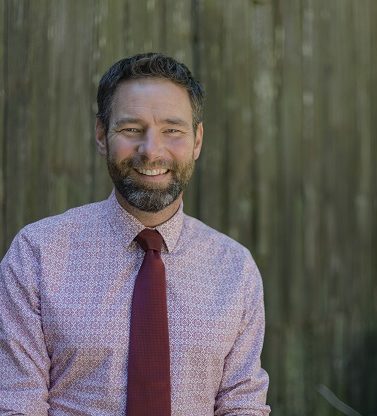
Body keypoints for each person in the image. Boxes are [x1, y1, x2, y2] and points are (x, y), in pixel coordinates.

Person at [0, 53, 270, 415]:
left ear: (197, 141)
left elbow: (242, 404)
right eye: (131, 129)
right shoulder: (37, 254)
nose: (151, 151)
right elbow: (17, 403)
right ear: (101, 135)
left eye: (172, 130)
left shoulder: (235, 268)